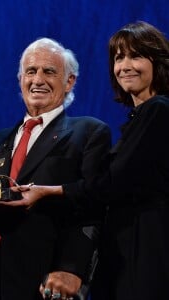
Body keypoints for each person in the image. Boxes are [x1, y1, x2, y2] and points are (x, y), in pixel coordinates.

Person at [0, 37, 111, 300]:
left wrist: (72, 269)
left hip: (42, 283)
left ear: (70, 81)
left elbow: (94, 206)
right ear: (20, 79)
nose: (38, 80)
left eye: (49, 72)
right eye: (30, 72)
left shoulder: (89, 133)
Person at [89, 21, 169, 300]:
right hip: (128, 249)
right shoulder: (142, 117)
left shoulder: (159, 110)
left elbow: (114, 182)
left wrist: (53, 191)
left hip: (145, 250)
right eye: (118, 57)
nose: (125, 65)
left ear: (157, 62)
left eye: (136, 56)